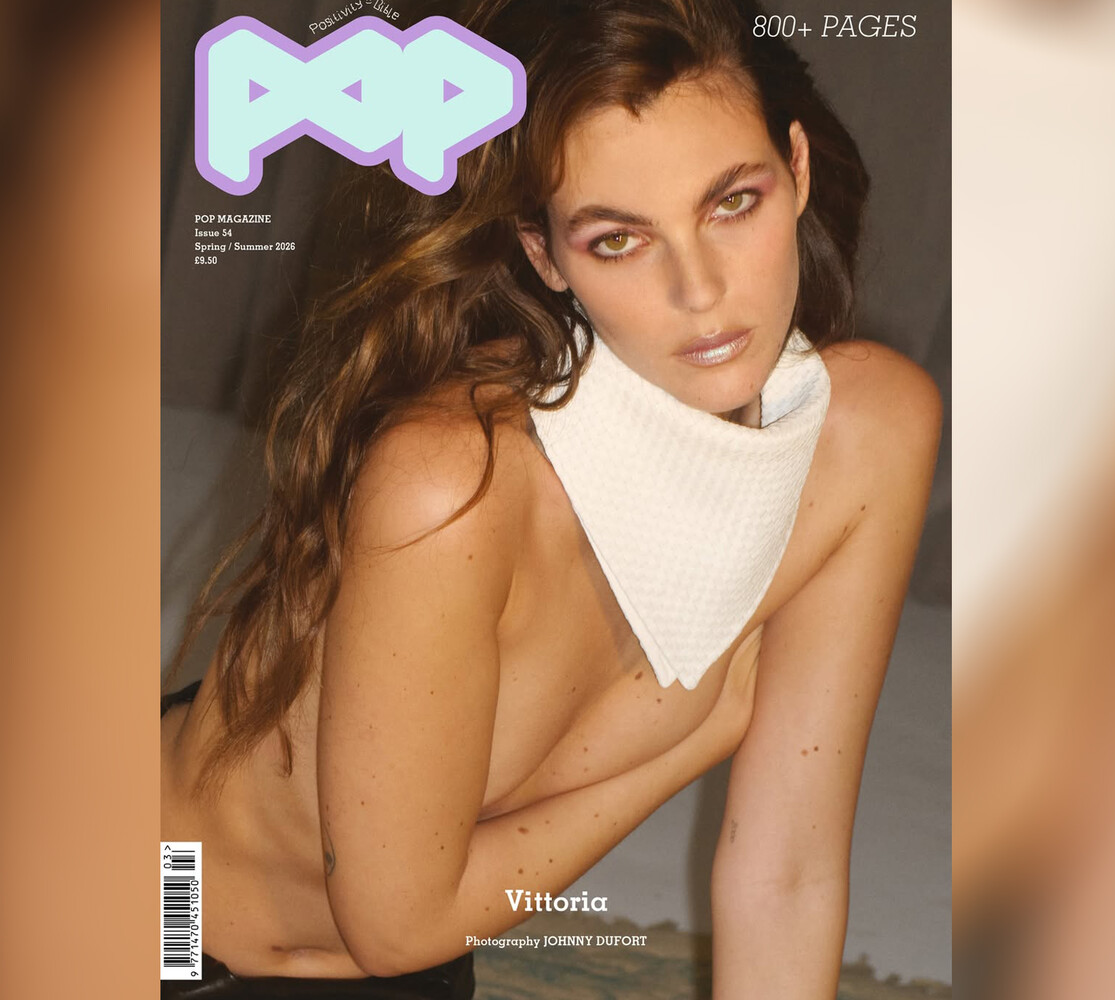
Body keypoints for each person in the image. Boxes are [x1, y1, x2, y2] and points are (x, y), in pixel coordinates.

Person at [161, 0, 940, 996]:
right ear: (545, 255)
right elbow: (400, 925)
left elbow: (785, 872)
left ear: (795, 169)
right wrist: (712, 724)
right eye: (619, 240)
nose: (700, 289)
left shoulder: (870, 433)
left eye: (731, 203)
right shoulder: (453, 481)